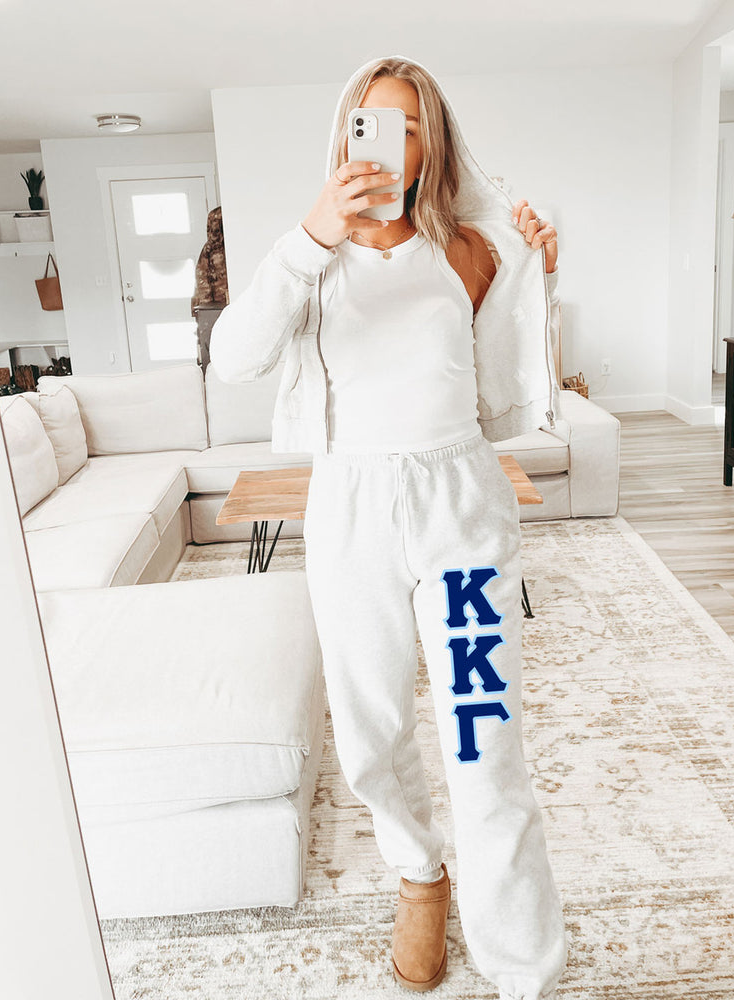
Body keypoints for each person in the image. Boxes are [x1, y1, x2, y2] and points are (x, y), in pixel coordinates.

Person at [211, 54, 567, 1000]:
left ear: (430, 143)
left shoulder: (470, 251)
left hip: (459, 503)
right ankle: (420, 875)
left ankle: (522, 965)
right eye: (372, 122)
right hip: (351, 506)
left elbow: (509, 384)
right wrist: (311, 235)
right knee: (368, 733)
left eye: (409, 126)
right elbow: (233, 359)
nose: (390, 142)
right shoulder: (310, 254)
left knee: (482, 739)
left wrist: (538, 272)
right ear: (345, 134)